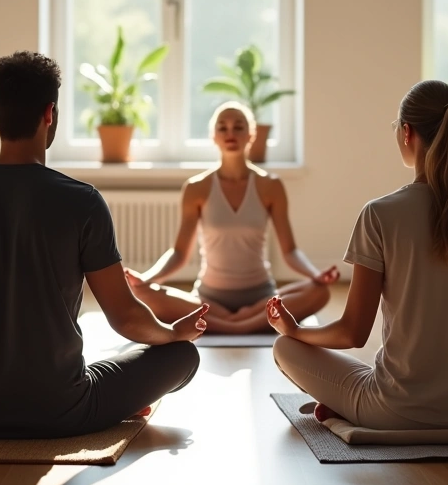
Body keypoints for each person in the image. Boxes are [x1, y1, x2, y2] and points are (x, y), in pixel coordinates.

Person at [0, 51, 207, 439]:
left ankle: (114, 398)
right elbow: (126, 318)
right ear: (50, 113)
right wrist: (171, 333)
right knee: (183, 356)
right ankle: (120, 402)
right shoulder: (83, 201)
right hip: (66, 412)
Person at [268, 80, 448, 429]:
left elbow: (352, 333)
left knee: (284, 348)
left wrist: (296, 330)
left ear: (407, 132)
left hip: (393, 412)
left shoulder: (380, 213)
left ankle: (344, 406)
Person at [125, 102, 337, 334]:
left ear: (251, 135)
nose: (230, 134)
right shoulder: (197, 187)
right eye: (222, 128)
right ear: (212, 136)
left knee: (320, 291)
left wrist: (316, 275)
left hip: (260, 296)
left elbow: (290, 251)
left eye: (238, 127)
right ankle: (247, 324)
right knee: (143, 292)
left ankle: (227, 325)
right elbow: (178, 253)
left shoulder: (271, 186)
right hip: (209, 297)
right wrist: (146, 278)